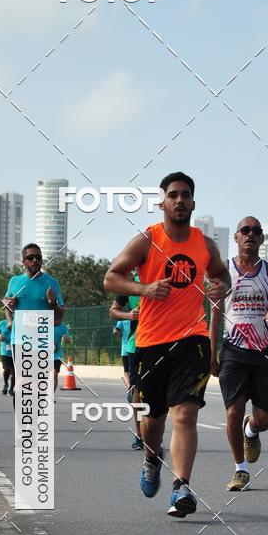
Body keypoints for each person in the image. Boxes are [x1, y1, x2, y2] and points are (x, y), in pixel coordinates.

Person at [104, 171, 231, 516]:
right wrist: (144, 289)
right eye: (173, 195)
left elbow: (222, 275)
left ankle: (181, 488)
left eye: (185, 195)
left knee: (185, 413)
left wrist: (221, 287)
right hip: (151, 343)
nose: (179, 200)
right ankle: (151, 456)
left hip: (192, 339)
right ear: (162, 202)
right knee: (152, 420)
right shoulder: (148, 239)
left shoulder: (205, 244)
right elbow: (111, 277)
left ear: (193, 203)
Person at [210, 217, 268, 490]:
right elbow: (214, 315)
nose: (250, 235)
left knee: (265, 419)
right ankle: (241, 469)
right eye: (245, 231)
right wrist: (211, 355)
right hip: (234, 351)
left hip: (266, 352)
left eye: (256, 231)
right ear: (236, 237)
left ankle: (252, 429)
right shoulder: (222, 272)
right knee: (233, 411)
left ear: (261, 239)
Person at [4, 244, 65, 406]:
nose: (35, 260)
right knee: (23, 381)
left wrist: (52, 303)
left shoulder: (51, 283)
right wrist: (9, 314)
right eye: (30, 257)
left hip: (42, 339)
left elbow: (60, 314)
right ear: (23, 261)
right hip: (20, 339)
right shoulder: (15, 281)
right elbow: (6, 305)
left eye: (38, 257)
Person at [109, 270, 143, 450]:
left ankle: (153, 434)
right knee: (137, 392)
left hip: (162, 346)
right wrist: (129, 315)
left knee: (157, 395)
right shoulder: (130, 285)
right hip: (136, 345)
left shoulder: (164, 282)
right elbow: (113, 311)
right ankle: (140, 435)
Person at [0, 314, 15, 395]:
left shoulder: (19, 323)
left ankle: (11, 388)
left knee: (14, 372)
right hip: (5, 351)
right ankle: (6, 383)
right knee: (7, 369)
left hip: (16, 350)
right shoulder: (2, 323)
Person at [53, 308, 71, 391]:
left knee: (54, 374)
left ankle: (50, 395)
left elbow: (68, 341)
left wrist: (66, 339)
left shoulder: (63, 326)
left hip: (57, 355)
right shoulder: (44, 323)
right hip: (43, 354)